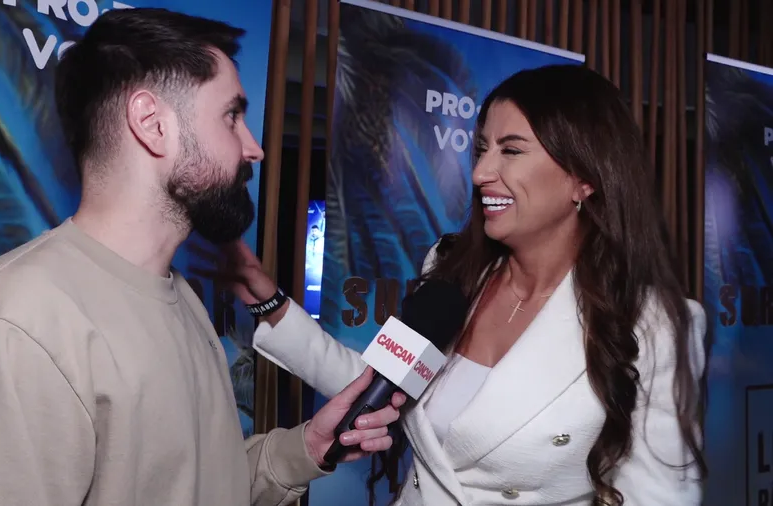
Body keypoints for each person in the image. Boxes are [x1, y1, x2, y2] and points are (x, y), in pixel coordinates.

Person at [0, 9, 405, 506]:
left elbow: (189, 487)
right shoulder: (7, 331)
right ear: (152, 123)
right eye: (231, 116)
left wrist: (306, 449)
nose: (254, 148)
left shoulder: (181, 301)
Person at [216, 64, 708, 505]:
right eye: (482, 149)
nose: (480, 173)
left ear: (584, 178)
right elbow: (376, 390)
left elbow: (659, 495)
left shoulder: (656, 325)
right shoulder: (453, 267)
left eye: (511, 150)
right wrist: (267, 299)